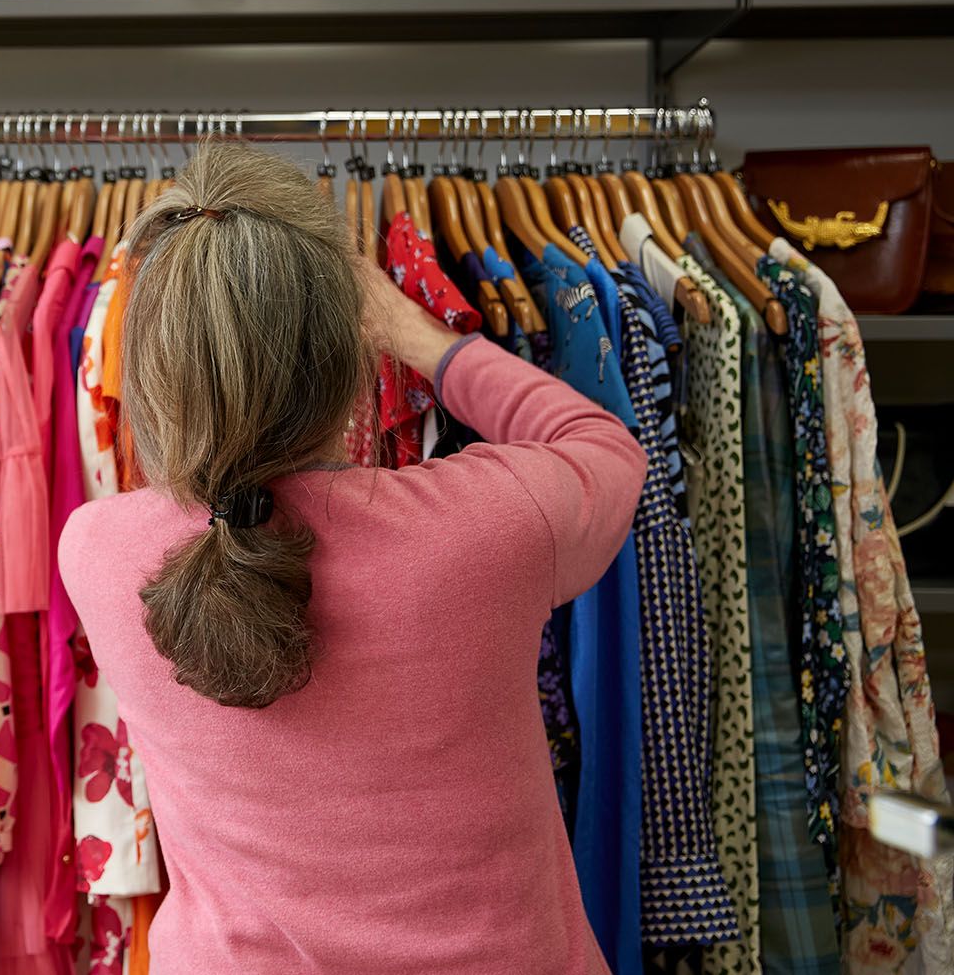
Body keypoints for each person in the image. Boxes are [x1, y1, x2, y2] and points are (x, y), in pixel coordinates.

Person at [60, 142, 646, 973]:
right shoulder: (489, 525)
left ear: (155, 363)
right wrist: (423, 338)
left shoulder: (95, 550)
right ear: (347, 353)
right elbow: (601, 443)